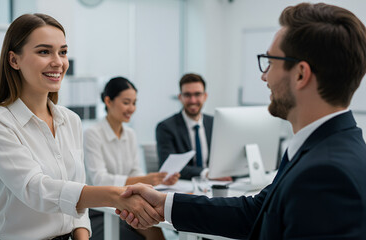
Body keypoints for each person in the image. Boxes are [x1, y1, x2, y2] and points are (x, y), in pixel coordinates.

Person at [118, 3, 366, 239]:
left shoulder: (327, 174)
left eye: (270, 62)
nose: (264, 76)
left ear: (301, 74)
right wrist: (166, 204)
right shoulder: (324, 148)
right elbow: (256, 211)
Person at [0, 13, 161, 240]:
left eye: (62, 52)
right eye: (44, 51)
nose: (58, 62)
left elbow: (76, 204)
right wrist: (115, 195)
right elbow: (36, 190)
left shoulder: (70, 120)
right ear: (14, 60)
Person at [84, 77, 179, 240]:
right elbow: (100, 180)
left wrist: (156, 180)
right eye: (126, 102)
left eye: (134, 103)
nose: (132, 108)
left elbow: (135, 170)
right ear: (108, 101)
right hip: (99, 210)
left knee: (156, 233)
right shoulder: (92, 134)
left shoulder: (130, 134)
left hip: (126, 205)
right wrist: (144, 179)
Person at [156, 73, 231, 181]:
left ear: (205, 96)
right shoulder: (166, 127)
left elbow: (225, 159)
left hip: (213, 186)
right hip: (184, 187)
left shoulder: (215, 123)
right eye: (187, 95)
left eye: (197, 94)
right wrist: (206, 173)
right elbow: (168, 167)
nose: (193, 100)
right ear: (180, 97)